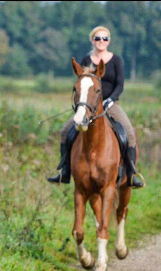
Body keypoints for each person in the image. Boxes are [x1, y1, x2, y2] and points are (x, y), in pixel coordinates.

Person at [47, 26, 144, 188]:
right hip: (88, 106)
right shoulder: (86, 60)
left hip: (111, 104)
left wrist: (111, 99)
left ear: (109, 41)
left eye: (105, 38)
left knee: (129, 133)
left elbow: (120, 84)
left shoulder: (116, 60)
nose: (101, 41)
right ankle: (64, 170)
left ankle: (131, 173)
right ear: (92, 40)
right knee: (65, 131)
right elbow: (82, 83)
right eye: (98, 38)